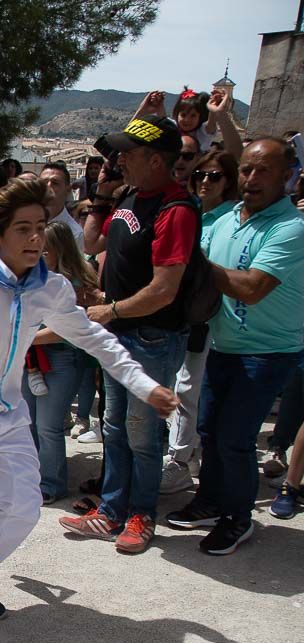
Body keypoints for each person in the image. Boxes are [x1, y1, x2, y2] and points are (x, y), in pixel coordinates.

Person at [0, 178, 177, 619]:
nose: (35, 238)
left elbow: (97, 341)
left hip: (10, 417)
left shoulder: (51, 289)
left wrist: (145, 385)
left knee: (24, 507)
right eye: (22, 229)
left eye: (40, 227)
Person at [60, 116, 196, 554]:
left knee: (142, 433)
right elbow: (93, 242)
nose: (119, 160)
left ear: (156, 160)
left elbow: (164, 290)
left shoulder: (175, 210)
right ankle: (112, 508)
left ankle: (142, 512)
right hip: (120, 335)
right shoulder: (131, 196)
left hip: (150, 337)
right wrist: (101, 191)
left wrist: (110, 308)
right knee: (114, 427)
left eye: (129, 154)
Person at [165, 138, 304, 554]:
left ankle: (238, 518)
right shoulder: (226, 220)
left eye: (264, 170)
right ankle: (209, 502)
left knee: (236, 439)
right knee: (209, 431)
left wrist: (191, 258)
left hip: (268, 352)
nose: (252, 178)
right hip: (222, 345)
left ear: (288, 175)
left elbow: (252, 288)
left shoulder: (291, 229)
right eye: (246, 169)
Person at [161, 150, 240, 495]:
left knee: (188, 389)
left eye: (215, 176)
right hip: (180, 314)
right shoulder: (191, 212)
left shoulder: (231, 219)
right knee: (183, 387)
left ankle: (179, 461)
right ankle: (186, 453)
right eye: (201, 175)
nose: (206, 181)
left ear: (229, 182)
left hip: (210, 317)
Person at [22, 220, 102, 502]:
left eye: (45, 249)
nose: (38, 251)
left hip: (62, 359)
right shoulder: (30, 277)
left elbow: (62, 331)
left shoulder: (73, 284)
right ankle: (28, 479)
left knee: (48, 425)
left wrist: (23, 335)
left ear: (60, 249)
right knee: (27, 422)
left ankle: (51, 484)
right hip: (29, 359)